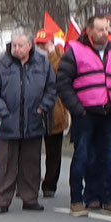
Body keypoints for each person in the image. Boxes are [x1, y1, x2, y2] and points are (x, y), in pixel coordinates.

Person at [58, 16, 111, 217]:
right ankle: (76, 200)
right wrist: (77, 108)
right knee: (82, 156)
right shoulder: (74, 50)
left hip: (110, 112)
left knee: (107, 157)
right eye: (99, 29)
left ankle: (109, 199)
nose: (104, 33)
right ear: (89, 31)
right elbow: (63, 82)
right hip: (85, 113)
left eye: (106, 29)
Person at [0, 29, 56, 212]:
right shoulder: (1, 65)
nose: (16, 48)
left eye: (20, 45)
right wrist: (3, 112)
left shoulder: (43, 64)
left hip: (34, 120)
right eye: (14, 45)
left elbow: (51, 88)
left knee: (31, 163)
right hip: (7, 123)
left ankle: (30, 198)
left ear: (30, 46)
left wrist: (43, 106)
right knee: (6, 164)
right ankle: (2, 201)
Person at [40, 35, 70, 199]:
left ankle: (50, 184)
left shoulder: (60, 58)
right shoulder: (30, 58)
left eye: (44, 44)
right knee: (30, 153)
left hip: (55, 112)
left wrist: (52, 53)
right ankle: (27, 183)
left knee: (54, 153)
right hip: (34, 111)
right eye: (39, 44)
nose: (41, 47)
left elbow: (56, 74)